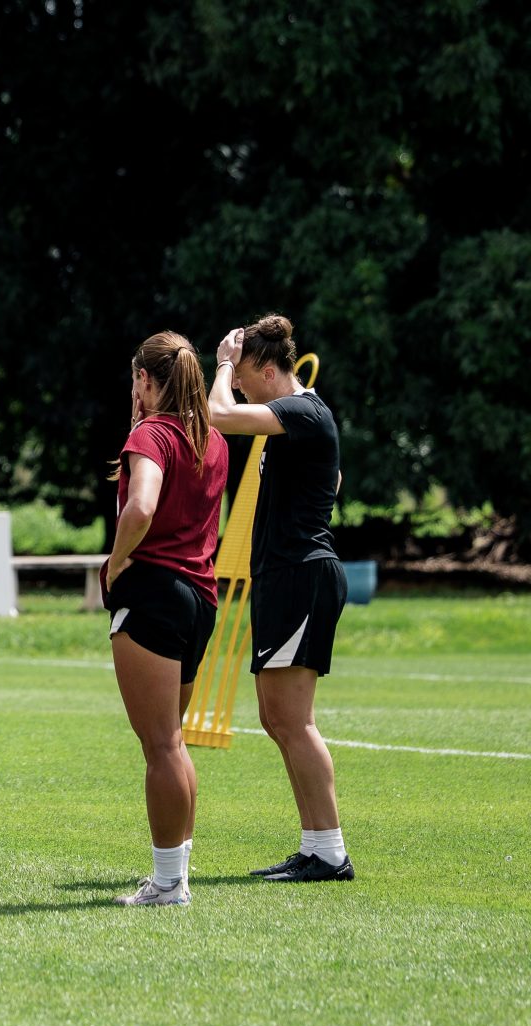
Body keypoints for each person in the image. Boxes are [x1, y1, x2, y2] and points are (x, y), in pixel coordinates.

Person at [208, 314, 354, 883]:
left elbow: (219, 417)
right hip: (283, 575)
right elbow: (332, 481)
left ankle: (331, 851)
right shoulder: (297, 421)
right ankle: (316, 845)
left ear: (269, 369)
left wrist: (221, 365)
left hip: (301, 576)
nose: (238, 385)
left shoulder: (302, 410)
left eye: (244, 376)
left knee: (294, 720)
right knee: (276, 717)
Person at [103, 333, 229, 906]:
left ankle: (168, 883)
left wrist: (118, 559)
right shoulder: (215, 440)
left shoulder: (150, 433)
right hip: (200, 599)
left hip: (154, 589)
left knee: (160, 745)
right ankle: (176, 870)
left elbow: (143, 504)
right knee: (172, 742)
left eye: (135, 379)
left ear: (147, 380)